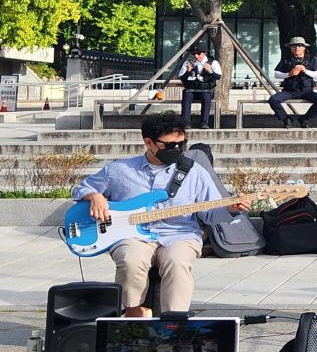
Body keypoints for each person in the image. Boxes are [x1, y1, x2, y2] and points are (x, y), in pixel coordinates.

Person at [71, 112, 251, 316]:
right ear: (149, 142)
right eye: (169, 145)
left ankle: (174, 321)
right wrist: (94, 196)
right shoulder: (119, 170)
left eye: (181, 144)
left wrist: (230, 209)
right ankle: (132, 314)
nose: (176, 149)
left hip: (180, 234)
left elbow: (210, 213)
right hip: (131, 235)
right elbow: (79, 189)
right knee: (131, 260)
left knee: (177, 262)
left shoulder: (195, 172)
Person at [269, 37, 317, 128]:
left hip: (307, 91)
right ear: (290, 48)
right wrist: (289, 74)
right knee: (273, 100)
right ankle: (286, 119)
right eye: (294, 46)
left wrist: (305, 70)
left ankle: (305, 118)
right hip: (289, 91)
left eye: (299, 45)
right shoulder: (286, 59)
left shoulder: (312, 59)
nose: (297, 48)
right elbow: (276, 74)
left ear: (304, 48)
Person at [178, 44, 221, 129]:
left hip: (206, 90)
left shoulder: (213, 62)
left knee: (206, 97)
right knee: (187, 96)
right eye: (194, 54)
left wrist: (210, 71)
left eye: (198, 53)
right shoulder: (188, 63)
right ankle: (186, 123)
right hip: (191, 89)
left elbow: (218, 76)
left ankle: (204, 122)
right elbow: (182, 78)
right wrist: (188, 71)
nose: (196, 56)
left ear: (204, 53)